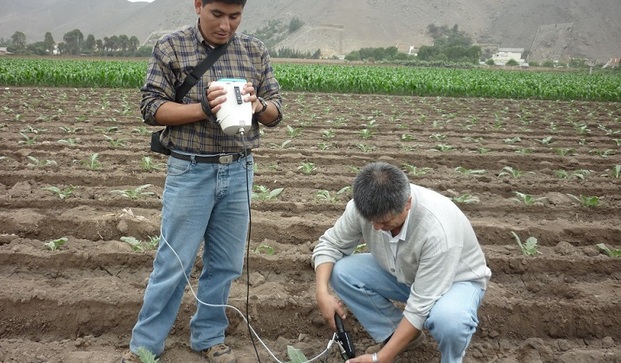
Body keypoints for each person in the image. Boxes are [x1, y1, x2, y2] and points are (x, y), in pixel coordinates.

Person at [123, 0, 282, 362]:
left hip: (239, 168)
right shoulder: (171, 46)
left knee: (225, 264)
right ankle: (145, 347)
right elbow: (151, 108)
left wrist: (257, 105)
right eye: (217, 15)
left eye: (234, 16)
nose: (226, 25)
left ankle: (209, 337)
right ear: (198, 5)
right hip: (190, 169)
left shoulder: (254, 50)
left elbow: (276, 111)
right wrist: (204, 109)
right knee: (173, 263)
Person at [313, 162, 491, 363]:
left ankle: (451, 359)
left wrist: (379, 358)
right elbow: (330, 245)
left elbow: (420, 306)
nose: (377, 227)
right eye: (372, 221)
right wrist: (322, 293)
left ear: (407, 203)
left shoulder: (437, 230)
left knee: (449, 322)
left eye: (385, 221)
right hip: (405, 273)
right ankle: (403, 336)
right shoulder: (363, 208)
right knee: (341, 272)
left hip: (455, 282)